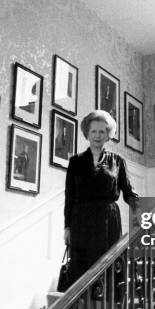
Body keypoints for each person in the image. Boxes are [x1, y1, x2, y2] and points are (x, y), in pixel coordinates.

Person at [63, 110, 138, 285]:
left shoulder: (118, 161)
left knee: (108, 267)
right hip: (81, 221)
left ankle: (107, 308)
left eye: (102, 131)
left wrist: (138, 211)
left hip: (108, 221)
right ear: (87, 134)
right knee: (81, 270)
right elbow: (69, 197)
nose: (97, 135)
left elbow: (129, 191)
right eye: (94, 131)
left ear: (108, 135)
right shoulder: (75, 162)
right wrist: (67, 227)